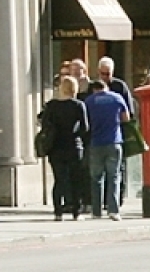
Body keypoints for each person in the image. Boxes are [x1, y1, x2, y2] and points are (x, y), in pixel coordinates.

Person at [41, 75, 89, 221]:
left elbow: (45, 126)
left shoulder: (51, 105)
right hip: (73, 146)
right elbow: (85, 127)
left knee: (59, 180)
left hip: (55, 147)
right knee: (75, 180)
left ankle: (58, 212)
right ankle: (76, 211)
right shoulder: (78, 105)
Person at [83, 78, 131, 220]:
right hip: (114, 142)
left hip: (96, 142)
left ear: (94, 89)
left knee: (96, 178)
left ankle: (96, 211)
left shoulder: (89, 101)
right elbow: (126, 118)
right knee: (114, 176)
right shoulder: (117, 98)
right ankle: (113, 210)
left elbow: (86, 121)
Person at [97, 57, 134, 204]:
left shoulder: (120, 86)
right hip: (99, 134)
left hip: (117, 134)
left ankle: (117, 198)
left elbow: (129, 111)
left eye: (108, 74)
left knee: (118, 168)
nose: (105, 77)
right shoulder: (95, 86)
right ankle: (103, 200)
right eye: (103, 73)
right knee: (100, 171)